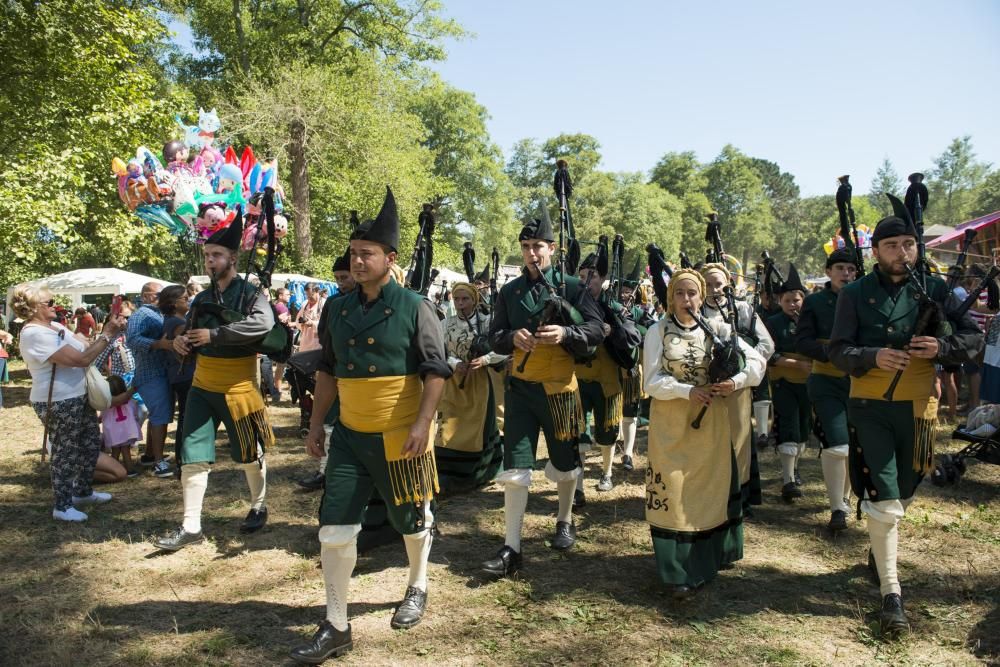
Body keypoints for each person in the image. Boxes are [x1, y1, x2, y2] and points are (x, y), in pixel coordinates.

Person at [291, 187, 450, 662]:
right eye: (354, 254)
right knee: (334, 528)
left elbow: (436, 371)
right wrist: (317, 425)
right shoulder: (336, 308)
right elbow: (327, 371)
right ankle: (336, 624)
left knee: (410, 518)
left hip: (400, 431)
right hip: (349, 437)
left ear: (390, 258)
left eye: (367, 254)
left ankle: (417, 584)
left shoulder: (414, 306)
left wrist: (423, 423)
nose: (357, 262)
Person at [829, 212, 982, 637]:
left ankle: (880, 553)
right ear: (875, 252)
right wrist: (872, 356)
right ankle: (892, 596)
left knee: (908, 484)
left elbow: (974, 339)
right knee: (883, 489)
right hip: (870, 403)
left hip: (918, 407)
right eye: (893, 246)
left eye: (909, 244)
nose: (903, 253)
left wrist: (943, 346)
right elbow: (839, 350)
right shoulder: (855, 294)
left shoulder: (935, 288)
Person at [479, 212, 605, 578]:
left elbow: (598, 329)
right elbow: (494, 335)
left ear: (551, 248)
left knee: (566, 463)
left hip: (560, 390)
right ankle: (511, 547)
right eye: (525, 246)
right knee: (517, 469)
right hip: (520, 388)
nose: (531, 253)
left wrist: (566, 335)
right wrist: (510, 337)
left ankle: (565, 520)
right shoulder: (510, 291)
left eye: (537, 246)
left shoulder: (571, 287)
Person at [155, 215, 276, 551]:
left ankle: (259, 505)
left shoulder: (250, 294)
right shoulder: (201, 298)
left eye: (217, 255)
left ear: (232, 259)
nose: (210, 261)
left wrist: (216, 333)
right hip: (202, 386)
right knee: (192, 454)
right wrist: (182, 343)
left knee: (251, 453)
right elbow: (190, 332)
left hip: (239, 387)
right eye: (207, 255)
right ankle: (191, 525)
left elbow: (263, 325)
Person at [642, 269, 764, 597]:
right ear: (670, 298)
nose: (686, 300)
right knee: (674, 492)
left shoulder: (720, 328)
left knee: (705, 493)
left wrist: (734, 382)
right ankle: (676, 572)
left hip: (711, 424)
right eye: (679, 294)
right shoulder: (658, 331)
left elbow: (757, 362)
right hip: (672, 424)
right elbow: (650, 382)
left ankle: (703, 564)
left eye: (692, 293)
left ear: (701, 296)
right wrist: (687, 391)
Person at [14, 284, 125, 521]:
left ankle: (82, 492)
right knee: (66, 451)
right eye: (50, 303)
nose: (57, 307)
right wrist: (107, 334)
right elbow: (82, 357)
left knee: (89, 444)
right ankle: (62, 506)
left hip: (78, 394)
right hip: (58, 400)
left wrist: (96, 340)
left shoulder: (52, 326)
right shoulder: (34, 333)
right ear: (34, 307)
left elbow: (85, 345)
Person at [700, 262, 774, 515]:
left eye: (718, 283)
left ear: (728, 284)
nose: (713, 289)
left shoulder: (742, 310)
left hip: (736, 388)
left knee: (738, 442)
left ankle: (740, 498)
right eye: (708, 284)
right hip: (705, 388)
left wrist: (740, 367)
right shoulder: (694, 310)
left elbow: (766, 345)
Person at [794, 249, 858, 531]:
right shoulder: (815, 302)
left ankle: (843, 500)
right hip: (826, 380)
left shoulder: (862, 297)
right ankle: (836, 509)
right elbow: (803, 341)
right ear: (829, 271)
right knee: (838, 444)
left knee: (854, 446)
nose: (846, 274)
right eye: (840, 268)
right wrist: (832, 353)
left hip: (861, 382)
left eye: (851, 269)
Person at [575, 251, 641, 493]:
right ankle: (578, 485)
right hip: (578, 381)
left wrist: (611, 330)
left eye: (590, 276)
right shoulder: (574, 305)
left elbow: (633, 337)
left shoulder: (613, 308)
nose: (585, 281)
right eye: (581, 276)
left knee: (607, 432)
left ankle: (606, 473)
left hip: (607, 383)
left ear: (602, 279)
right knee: (578, 433)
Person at [436, 281, 506, 493]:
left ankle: (478, 474)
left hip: (480, 383)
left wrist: (484, 360)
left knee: (476, 429)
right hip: (453, 382)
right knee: (447, 428)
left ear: (474, 300)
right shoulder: (445, 324)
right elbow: (438, 350)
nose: (460, 303)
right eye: (457, 299)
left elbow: (503, 348)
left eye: (465, 299)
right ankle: (446, 477)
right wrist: (456, 364)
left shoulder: (486, 322)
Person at [765, 264, 813, 502]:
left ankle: (795, 470)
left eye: (797, 299)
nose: (793, 304)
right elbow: (767, 354)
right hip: (784, 382)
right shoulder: (772, 323)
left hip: (809, 384)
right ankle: (788, 481)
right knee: (789, 427)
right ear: (780, 301)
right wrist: (794, 364)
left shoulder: (811, 322)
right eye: (788, 301)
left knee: (804, 428)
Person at [127, 282, 174, 478]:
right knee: (160, 417)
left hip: (161, 372)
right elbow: (132, 339)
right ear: (145, 296)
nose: (162, 298)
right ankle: (158, 463)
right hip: (150, 373)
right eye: (158, 294)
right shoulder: (141, 315)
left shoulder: (157, 313)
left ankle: (149, 455)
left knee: (159, 416)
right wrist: (158, 344)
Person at [160, 285, 194, 470]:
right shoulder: (175, 322)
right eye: (184, 298)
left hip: (182, 375)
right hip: (184, 375)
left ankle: (184, 457)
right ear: (173, 303)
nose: (188, 299)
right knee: (187, 417)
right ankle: (183, 458)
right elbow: (188, 336)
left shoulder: (175, 319)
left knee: (186, 416)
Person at [101, 375, 143, 477]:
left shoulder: (106, 405)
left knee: (115, 452)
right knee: (125, 450)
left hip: (113, 433)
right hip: (126, 432)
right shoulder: (130, 402)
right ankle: (129, 469)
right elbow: (136, 414)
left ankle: (112, 469)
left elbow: (102, 417)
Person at [272, 287, 292, 395]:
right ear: (280, 296)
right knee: (281, 365)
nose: (289, 296)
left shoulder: (276, 306)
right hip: (284, 339)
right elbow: (286, 323)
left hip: (280, 338)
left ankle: (277, 388)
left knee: (280, 365)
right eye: (287, 294)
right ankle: (278, 389)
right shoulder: (282, 307)